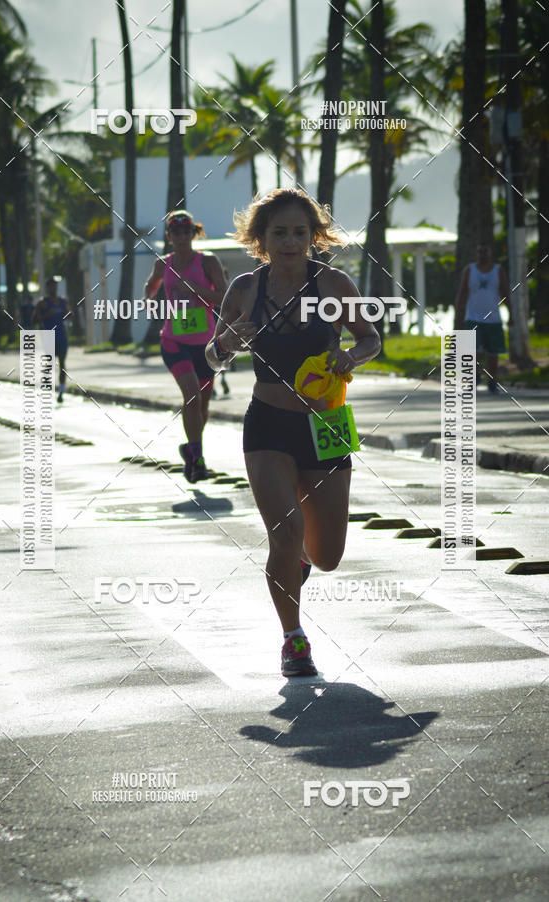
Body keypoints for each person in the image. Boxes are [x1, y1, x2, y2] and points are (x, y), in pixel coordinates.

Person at [205, 188, 381, 677]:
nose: (289, 241)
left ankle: (300, 561)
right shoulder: (245, 288)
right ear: (261, 237)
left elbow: (371, 338)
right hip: (268, 424)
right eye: (278, 232)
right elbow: (212, 357)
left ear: (313, 236)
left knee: (327, 557)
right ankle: (293, 639)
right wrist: (226, 344)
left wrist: (353, 355)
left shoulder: (333, 284)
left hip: (324, 422)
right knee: (283, 534)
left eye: (299, 232)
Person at [143, 210, 227, 483]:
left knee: (201, 407)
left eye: (185, 232)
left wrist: (196, 290)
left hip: (205, 345)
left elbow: (225, 296)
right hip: (173, 341)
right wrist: (151, 300)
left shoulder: (208, 262)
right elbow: (151, 287)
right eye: (175, 233)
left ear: (193, 233)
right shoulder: (163, 264)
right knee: (191, 395)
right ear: (169, 237)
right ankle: (199, 458)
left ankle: (190, 450)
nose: (180, 237)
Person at [455, 242, 512, 393]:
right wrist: (458, 316)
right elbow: (462, 293)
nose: (483, 255)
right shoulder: (470, 270)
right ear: (477, 253)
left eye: (485, 252)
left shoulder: (498, 271)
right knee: (473, 350)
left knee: (492, 353)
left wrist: (511, 313)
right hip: (473, 317)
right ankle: (474, 376)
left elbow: (505, 292)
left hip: (493, 318)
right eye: (480, 252)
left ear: (491, 253)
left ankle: (492, 381)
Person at [33, 277, 69, 402]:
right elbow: (33, 320)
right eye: (50, 286)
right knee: (48, 365)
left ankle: (61, 392)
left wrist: (68, 314)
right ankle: (47, 391)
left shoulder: (63, 301)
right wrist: (45, 316)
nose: (53, 288)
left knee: (63, 364)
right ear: (47, 288)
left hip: (62, 336)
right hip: (48, 337)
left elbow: (69, 315)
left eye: (55, 286)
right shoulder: (42, 303)